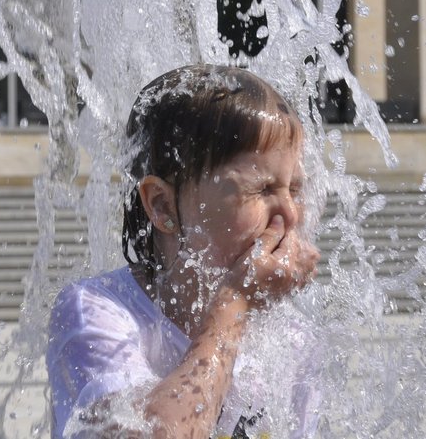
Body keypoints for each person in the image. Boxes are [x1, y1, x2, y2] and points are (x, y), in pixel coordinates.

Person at [47, 64, 322, 438]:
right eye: (260, 189)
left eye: (294, 189)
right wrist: (233, 305)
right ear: (162, 205)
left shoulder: (290, 339)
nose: (289, 213)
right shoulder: (96, 312)